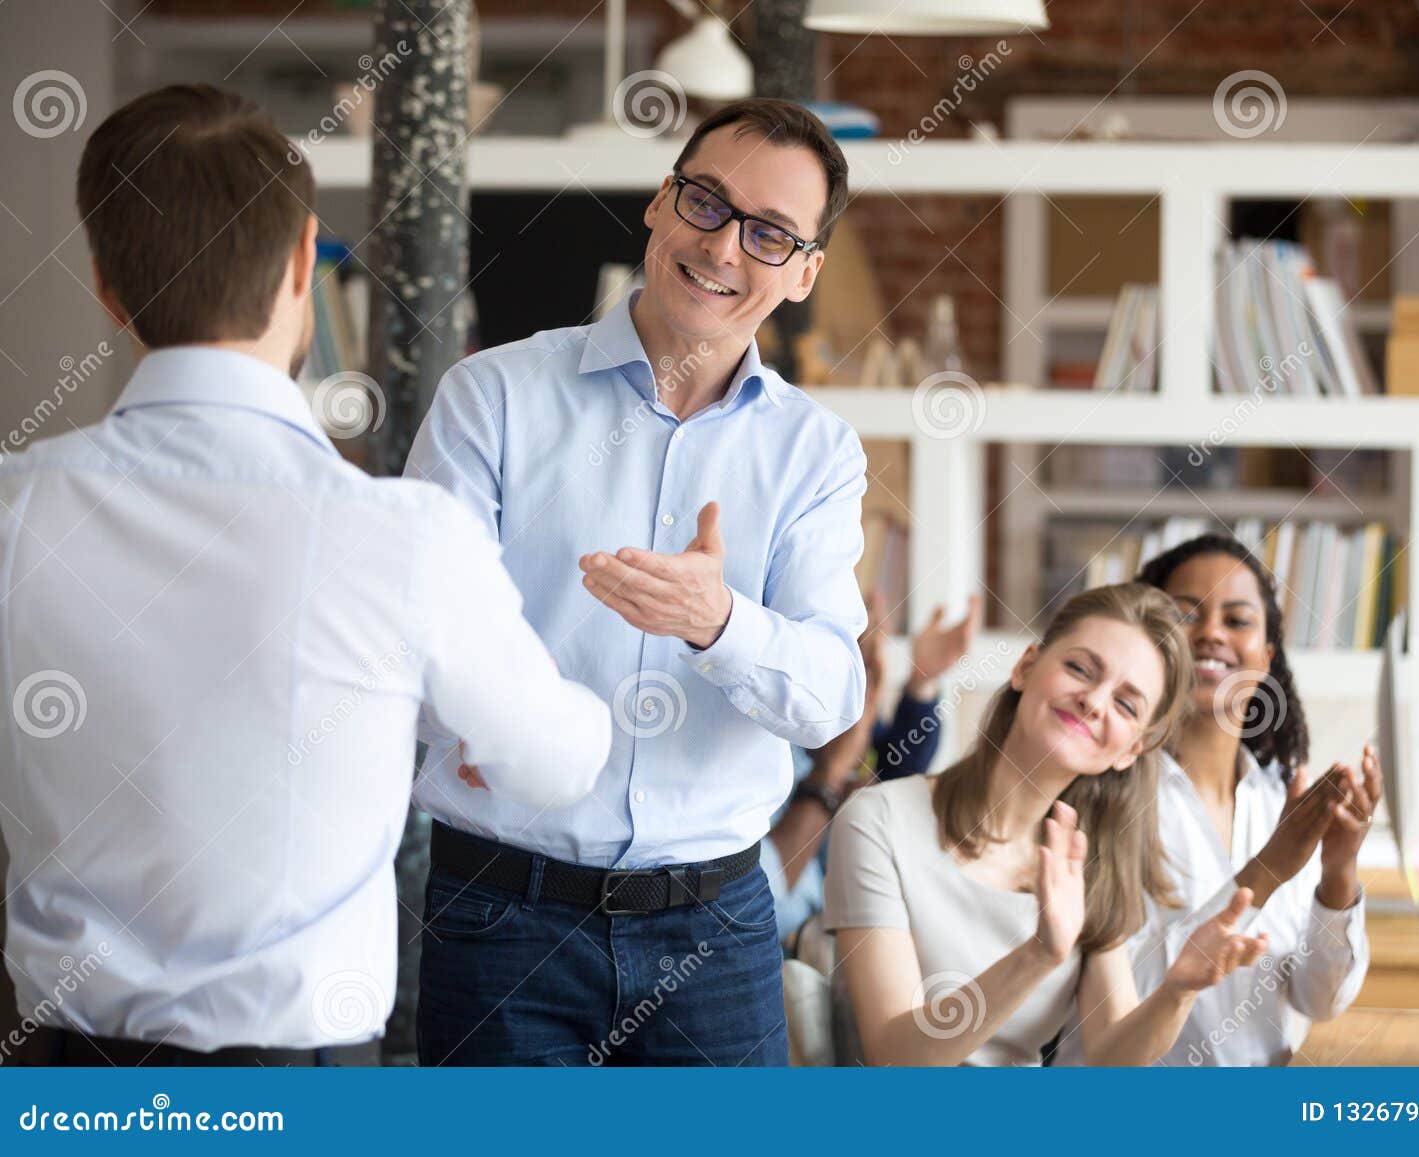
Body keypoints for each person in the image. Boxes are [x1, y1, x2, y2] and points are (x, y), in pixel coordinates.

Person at [0, 85, 611, 1067]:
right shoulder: (405, 535)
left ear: (107, 289)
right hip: (301, 1082)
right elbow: (559, 765)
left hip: (59, 1078)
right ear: (302, 263)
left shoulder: (14, 509)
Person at [404, 98, 867, 1066]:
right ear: (660, 204)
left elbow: (829, 696)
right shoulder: (491, 397)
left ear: (803, 273)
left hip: (717, 927)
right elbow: (410, 633)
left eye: (769, 233)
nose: (724, 246)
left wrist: (722, 621)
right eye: (706, 202)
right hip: (501, 913)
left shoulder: (815, 454)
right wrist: (470, 716)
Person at [824, 583, 1270, 1067]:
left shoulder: (1088, 859)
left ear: (1130, 751)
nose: (1095, 701)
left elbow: (1110, 1060)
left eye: (1126, 704)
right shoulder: (879, 821)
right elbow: (895, 1058)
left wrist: (1177, 992)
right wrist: (1037, 954)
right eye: (1080, 669)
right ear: (1026, 667)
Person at [1127, 533, 1379, 1066]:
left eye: (1236, 620)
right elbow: (1119, 998)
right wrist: (1267, 870)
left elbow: (1320, 1000)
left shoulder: (1277, 802)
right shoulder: (1110, 795)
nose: (1211, 632)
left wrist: (1338, 872)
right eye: (1185, 615)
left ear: (1264, 659)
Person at [762, 593, 979, 943]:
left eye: (870, 663)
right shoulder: (777, 735)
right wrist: (832, 773)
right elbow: (763, 899)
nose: (868, 685)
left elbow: (897, 771)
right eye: (861, 659)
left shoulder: (840, 729)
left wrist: (921, 684)